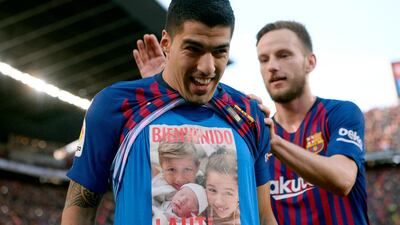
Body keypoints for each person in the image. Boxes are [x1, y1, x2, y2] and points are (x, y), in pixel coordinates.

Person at [132, 20, 370, 225]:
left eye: (284, 55)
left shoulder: (339, 113)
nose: (272, 66)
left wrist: (272, 141)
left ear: (310, 62)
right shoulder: (249, 136)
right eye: (263, 59)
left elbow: (343, 179)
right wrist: (169, 92)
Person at [61, 0, 276, 225]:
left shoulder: (248, 113)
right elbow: (80, 209)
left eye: (220, 51)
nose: (208, 67)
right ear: (166, 42)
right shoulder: (115, 105)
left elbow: (264, 216)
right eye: (193, 49)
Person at [205, 148, 240, 225]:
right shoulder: (198, 210)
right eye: (212, 190)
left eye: (228, 193)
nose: (218, 202)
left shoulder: (247, 219)